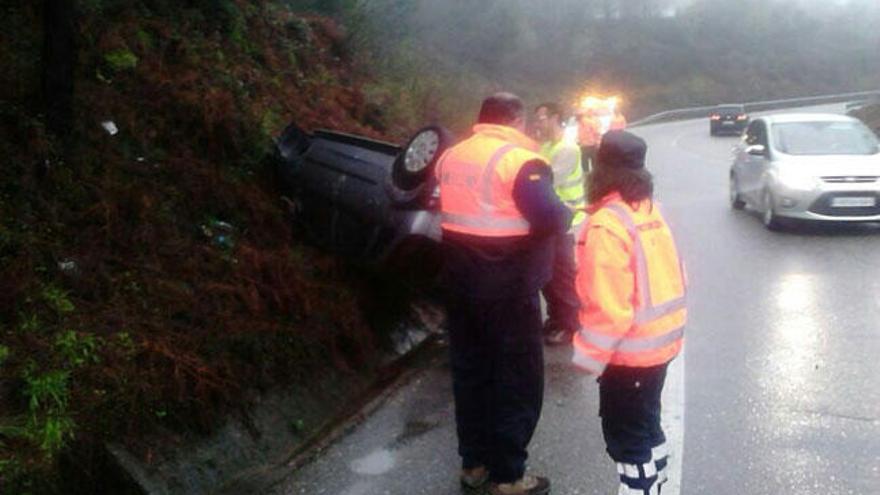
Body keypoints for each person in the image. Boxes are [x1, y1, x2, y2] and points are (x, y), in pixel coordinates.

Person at [437, 92, 571, 495]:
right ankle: (509, 475)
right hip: (509, 291)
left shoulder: (451, 156)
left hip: (459, 287)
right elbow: (552, 217)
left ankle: (474, 464)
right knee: (515, 379)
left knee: (471, 374)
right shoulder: (520, 161)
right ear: (515, 120)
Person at [571, 130, 687, 495]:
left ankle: (642, 489)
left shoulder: (608, 223)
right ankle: (658, 483)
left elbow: (609, 307)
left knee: (627, 439)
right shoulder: (648, 210)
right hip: (661, 346)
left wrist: (589, 358)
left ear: (599, 168)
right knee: (648, 425)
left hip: (630, 354)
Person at [534, 102, 586, 345]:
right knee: (550, 275)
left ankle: (570, 325)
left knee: (562, 275)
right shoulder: (545, 146)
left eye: (542, 118)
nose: (538, 123)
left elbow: (546, 183)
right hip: (551, 219)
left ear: (555, 118)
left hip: (566, 219)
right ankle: (556, 319)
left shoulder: (567, 148)